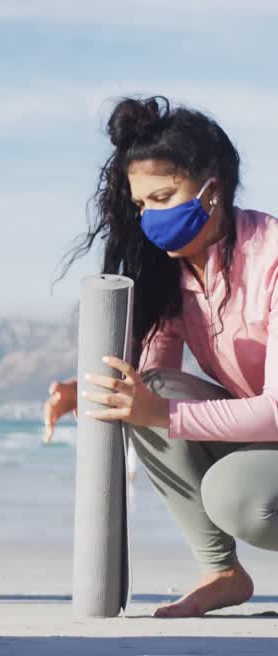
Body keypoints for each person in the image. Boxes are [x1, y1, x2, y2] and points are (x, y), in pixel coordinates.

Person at [45, 96, 278, 617]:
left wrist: (162, 414)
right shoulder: (177, 273)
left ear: (211, 189)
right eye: (142, 204)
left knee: (243, 499)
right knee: (147, 386)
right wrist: (94, 390)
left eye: (164, 196)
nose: (150, 217)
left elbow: (275, 408)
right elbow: (153, 379)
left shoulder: (273, 258)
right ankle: (221, 571)